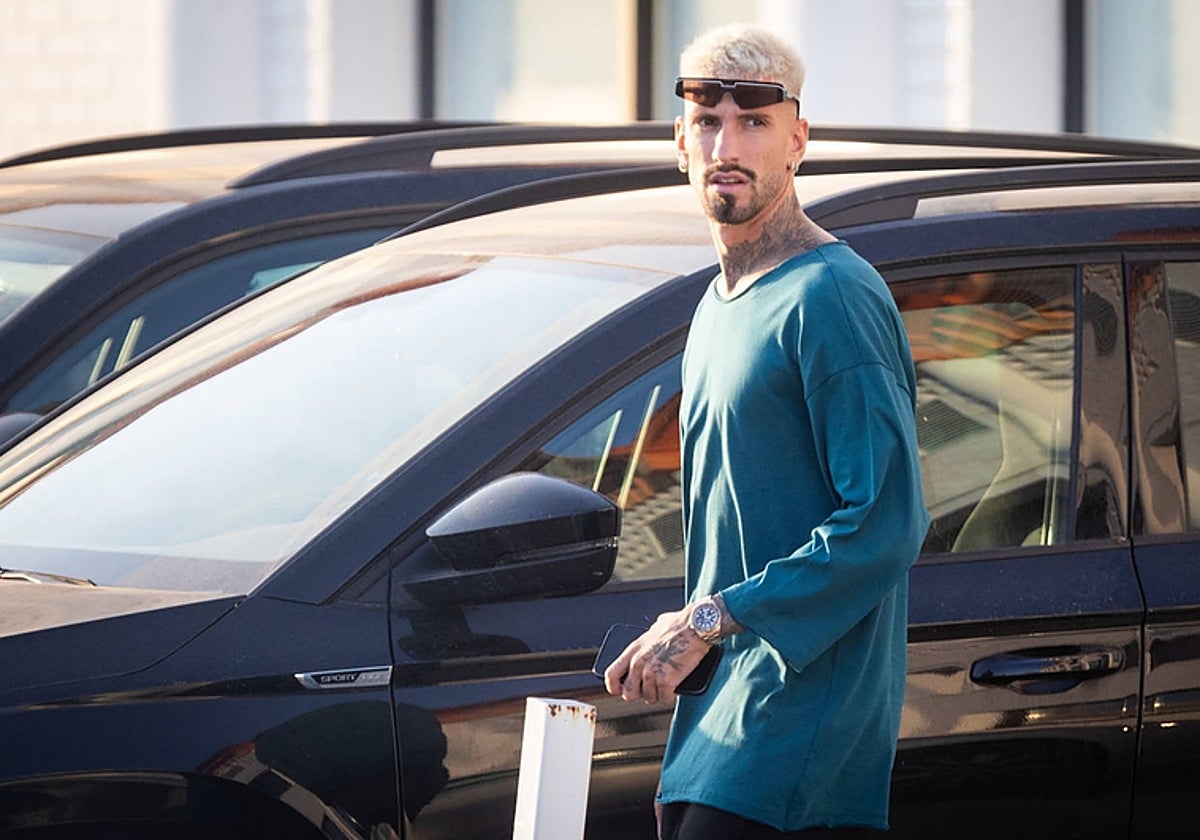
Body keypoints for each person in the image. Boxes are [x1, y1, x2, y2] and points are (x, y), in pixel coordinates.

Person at [603, 23, 930, 840]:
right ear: (680, 141)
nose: (728, 142)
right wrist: (690, 674)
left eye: (754, 120)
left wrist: (704, 621)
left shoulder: (833, 296)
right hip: (720, 720)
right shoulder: (716, 304)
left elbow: (886, 523)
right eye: (708, 119)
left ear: (798, 140)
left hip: (800, 722)